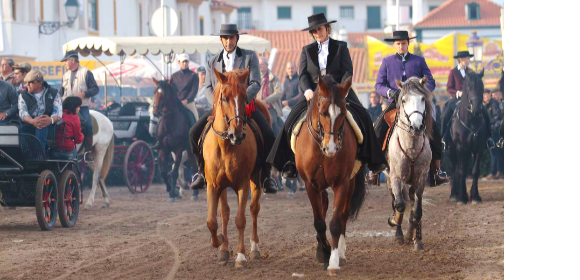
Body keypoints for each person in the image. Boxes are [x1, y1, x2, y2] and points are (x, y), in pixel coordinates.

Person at [266, 13, 387, 179]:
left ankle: (374, 161)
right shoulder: (306, 50)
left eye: (320, 29)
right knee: (290, 120)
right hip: (315, 92)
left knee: (364, 116)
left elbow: (347, 71)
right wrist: (307, 90)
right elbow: (303, 76)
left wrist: (341, 89)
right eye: (314, 31)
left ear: (327, 28)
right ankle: (289, 164)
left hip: (338, 90)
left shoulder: (340, 46)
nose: (317, 33)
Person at [188, 24, 278, 194]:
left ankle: (266, 176)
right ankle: (201, 173)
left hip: (245, 106)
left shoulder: (250, 56)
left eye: (231, 38)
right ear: (221, 40)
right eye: (225, 38)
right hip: (221, 108)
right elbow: (208, 87)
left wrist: (242, 100)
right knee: (193, 133)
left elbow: (256, 83)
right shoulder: (212, 61)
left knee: (269, 134)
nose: (228, 41)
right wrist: (215, 104)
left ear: (237, 38)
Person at [373, 30, 448, 186]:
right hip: (396, 103)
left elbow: (431, 81)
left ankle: (436, 172)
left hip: (417, 104)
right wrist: (390, 92)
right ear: (394, 45)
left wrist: (421, 91)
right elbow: (378, 85)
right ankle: (374, 170)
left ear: (408, 43)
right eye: (398, 44)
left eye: (404, 43)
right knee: (378, 129)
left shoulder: (419, 60)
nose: (401, 46)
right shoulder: (387, 61)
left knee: (436, 131)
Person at [441, 51, 494, 150]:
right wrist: (458, 93)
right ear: (461, 59)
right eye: (467, 58)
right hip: (456, 99)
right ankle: (444, 138)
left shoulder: (471, 72)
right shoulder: (453, 72)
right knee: (445, 115)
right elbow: (449, 88)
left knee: (485, 112)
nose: (469, 60)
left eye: (469, 58)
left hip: (470, 100)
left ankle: (488, 138)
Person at [60, 51, 100, 161]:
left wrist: (84, 94)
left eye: (66, 61)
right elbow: (61, 92)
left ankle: (89, 150)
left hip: (82, 107)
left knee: (87, 125)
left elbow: (95, 89)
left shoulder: (86, 72)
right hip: (67, 108)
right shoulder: (65, 76)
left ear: (72, 60)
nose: (65, 64)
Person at [18, 70, 62, 151]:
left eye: (30, 82)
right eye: (26, 82)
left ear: (39, 83)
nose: (27, 85)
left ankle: (39, 156)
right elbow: (22, 112)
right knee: (22, 130)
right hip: (29, 124)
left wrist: (50, 120)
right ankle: (26, 157)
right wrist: (32, 121)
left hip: (49, 126)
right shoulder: (23, 95)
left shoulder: (53, 93)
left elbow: (58, 112)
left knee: (41, 125)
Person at [257, 56, 284, 135]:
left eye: (262, 64)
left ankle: (277, 141)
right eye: (259, 64)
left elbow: (279, 92)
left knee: (272, 121)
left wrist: (266, 101)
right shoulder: (256, 78)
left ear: (267, 65)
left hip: (271, 107)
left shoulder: (273, 77)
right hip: (258, 106)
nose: (260, 66)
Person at [170, 53, 199, 125]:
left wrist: (187, 100)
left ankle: (198, 135)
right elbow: (171, 90)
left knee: (196, 120)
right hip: (176, 103)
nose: (185, 63)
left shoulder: (194, 75)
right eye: (183, 62)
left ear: (188, 62)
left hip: (189, 103)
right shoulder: (174, 76)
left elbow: (194, 91)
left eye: (186, 61)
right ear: (179, 63)